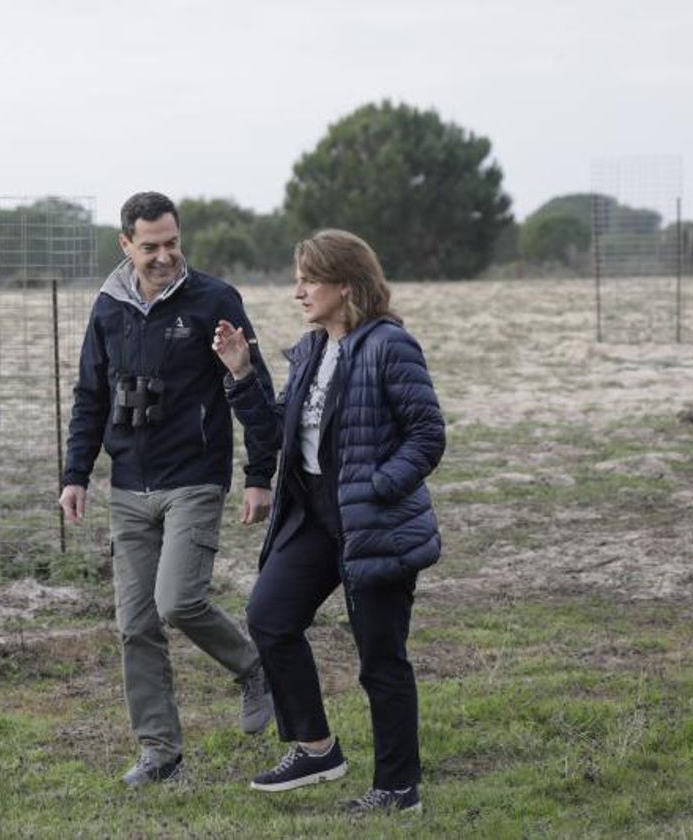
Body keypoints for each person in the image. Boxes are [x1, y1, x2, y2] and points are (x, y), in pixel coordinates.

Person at [212, 228, 444, 814]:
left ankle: (398, 789)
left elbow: (427, 435)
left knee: (380, 659)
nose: (299, 292)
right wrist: (241, 374)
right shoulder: (312, 349)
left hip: (374, 522)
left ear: (346, 284)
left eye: (309, 280)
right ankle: (316, 747)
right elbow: (281, 429)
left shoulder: (391, 345)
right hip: (313, 514)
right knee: (270, 617)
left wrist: (377, 486)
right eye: (299, 280)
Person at [60, 191, 279, 786]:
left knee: (177, 601)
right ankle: (159, 752)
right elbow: (90, 396)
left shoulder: (215, 300)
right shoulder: (107, 308)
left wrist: (261, 476)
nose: (164, 257)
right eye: (150, 246)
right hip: (128, 485)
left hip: (194, 479)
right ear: (125, 245)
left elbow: (252, 384)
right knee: (135, 624)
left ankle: (254, 667)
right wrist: (75, 474)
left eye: (172, 243)